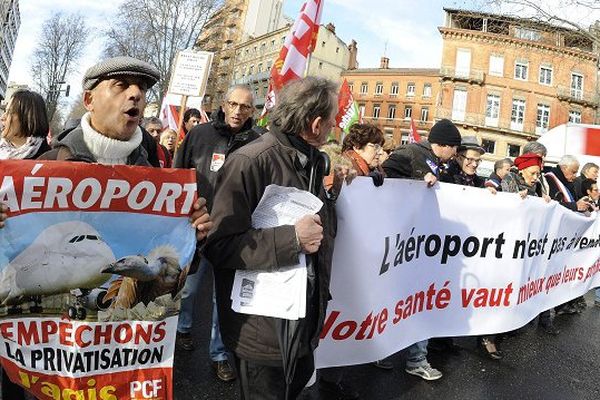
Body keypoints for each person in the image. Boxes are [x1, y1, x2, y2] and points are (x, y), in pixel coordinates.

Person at [204, 76, 353, 399]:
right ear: (315, 124)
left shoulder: (315, 163)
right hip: (263, 334)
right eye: (331, 121)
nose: (333, 128)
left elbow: (320, 232)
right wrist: (292, 239)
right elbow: (218, 246)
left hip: (303, 325)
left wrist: (339, 193)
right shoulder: (250, 161)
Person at [173, 84, 263, 383]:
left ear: (254, 111)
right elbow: (177, 175)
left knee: (222, 298)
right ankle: (182, 329)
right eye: (233, 104)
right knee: (188, 288)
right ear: (224, 104)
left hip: (235, 233)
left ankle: (219, 354)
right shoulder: (199, 135)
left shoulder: (260, 141)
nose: (238, 111)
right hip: (196, 228)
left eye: (245, 107)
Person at [382, 118, 462, 381]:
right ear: (444, 145)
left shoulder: (437, 161)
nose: (456, 154)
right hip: (404, 241)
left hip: (419, 243)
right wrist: (417, 179)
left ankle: (412, 357)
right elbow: (382, 176)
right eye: (454, 148)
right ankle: (384, 351)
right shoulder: (411, 153)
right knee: (402, 299)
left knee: (417, 301)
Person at [0, 88, 50, 400]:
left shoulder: (50, 160)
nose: (4, 117)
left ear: (26, 117)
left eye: (10, 112)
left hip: (27, 272)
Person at [501, 154, 559, 335]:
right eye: (533, 173)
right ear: (522, 170)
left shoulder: (537, 186)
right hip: (511, 242)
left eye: (537, 173)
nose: (535, 177)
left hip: (530, 243)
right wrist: (514, 199)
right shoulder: (509, 180)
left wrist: (544, 202)